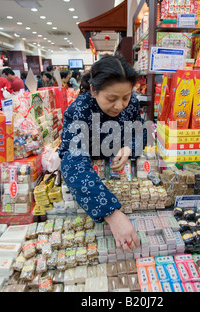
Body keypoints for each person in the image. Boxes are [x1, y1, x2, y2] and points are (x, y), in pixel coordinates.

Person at [59, 55, 147, 252]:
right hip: (90, 181)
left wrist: (129, 147)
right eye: (111, 99)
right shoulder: (80, 109)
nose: (120, 105)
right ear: (93, 90)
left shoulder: (131, 102)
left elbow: (140, 131)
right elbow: (72, 163)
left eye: (125, 97)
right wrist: (112, 214)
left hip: (123, 179)